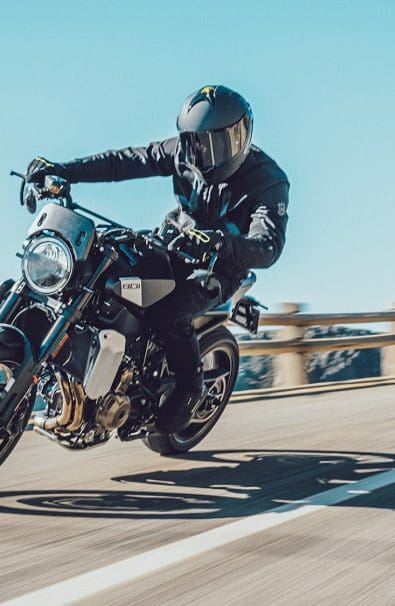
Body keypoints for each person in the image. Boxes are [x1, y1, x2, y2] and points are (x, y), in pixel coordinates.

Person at [25, 85, 289, 433]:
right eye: (195, 142)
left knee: (171, 313)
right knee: (97, 267)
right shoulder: (183, 151)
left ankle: (189, 388)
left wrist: (223, 244)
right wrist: (64, 170)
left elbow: (267, 244)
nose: (202, 153)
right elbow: (124, 161)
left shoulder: (269, 181)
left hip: (217, 267)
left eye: (214, 144)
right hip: (170, 244)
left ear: (240, 137)